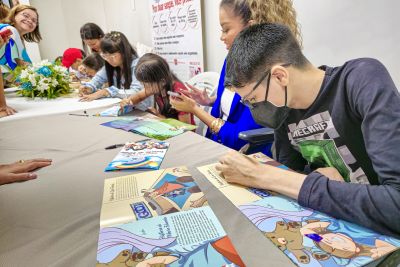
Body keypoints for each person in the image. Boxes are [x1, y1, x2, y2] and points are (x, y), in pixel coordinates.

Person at [218, 23, 400, 237]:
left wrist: (262, 175)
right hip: (333, 224)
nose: (254, 109)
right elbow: (291, 176)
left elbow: (395, 204)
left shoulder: (361, 80)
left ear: (279, 77)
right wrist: (313, 178)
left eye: (253, 99)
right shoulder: (284, 113)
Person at [170, 0, 300, 153]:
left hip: (244, 155)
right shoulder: (232, 59)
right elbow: (232, 102)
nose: (222, 37)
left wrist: (195, 110)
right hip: (217, 145)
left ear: (250, 27)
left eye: (226, 29)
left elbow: (239, 138)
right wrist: (208, 101)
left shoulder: (268, 75)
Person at [79, 31, 153, 111]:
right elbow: (98, 79)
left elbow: (136, 92)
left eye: (113, 55)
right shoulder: (110, 65)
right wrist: (89, 87)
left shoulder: (138, 65)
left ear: (123, 52)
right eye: (105, 56)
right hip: (125, 110)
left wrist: (107, 91)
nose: (109, 59)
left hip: (141, 111)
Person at [120, 53, 194, 125]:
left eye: (147, 85)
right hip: (166, 127)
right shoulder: (158, 85)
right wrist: (129, 102)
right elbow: (139, 96)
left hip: (183, 133)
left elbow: (186, 127)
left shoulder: (177, 94)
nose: (145, 89)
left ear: (162, 81)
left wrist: (159, 117)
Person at [0, 4, 41, 73]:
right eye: (25, 15)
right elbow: (16, 65)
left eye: (34, 21)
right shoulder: (10, 30)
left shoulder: (18, 39)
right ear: (14, 15)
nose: (30, 21)